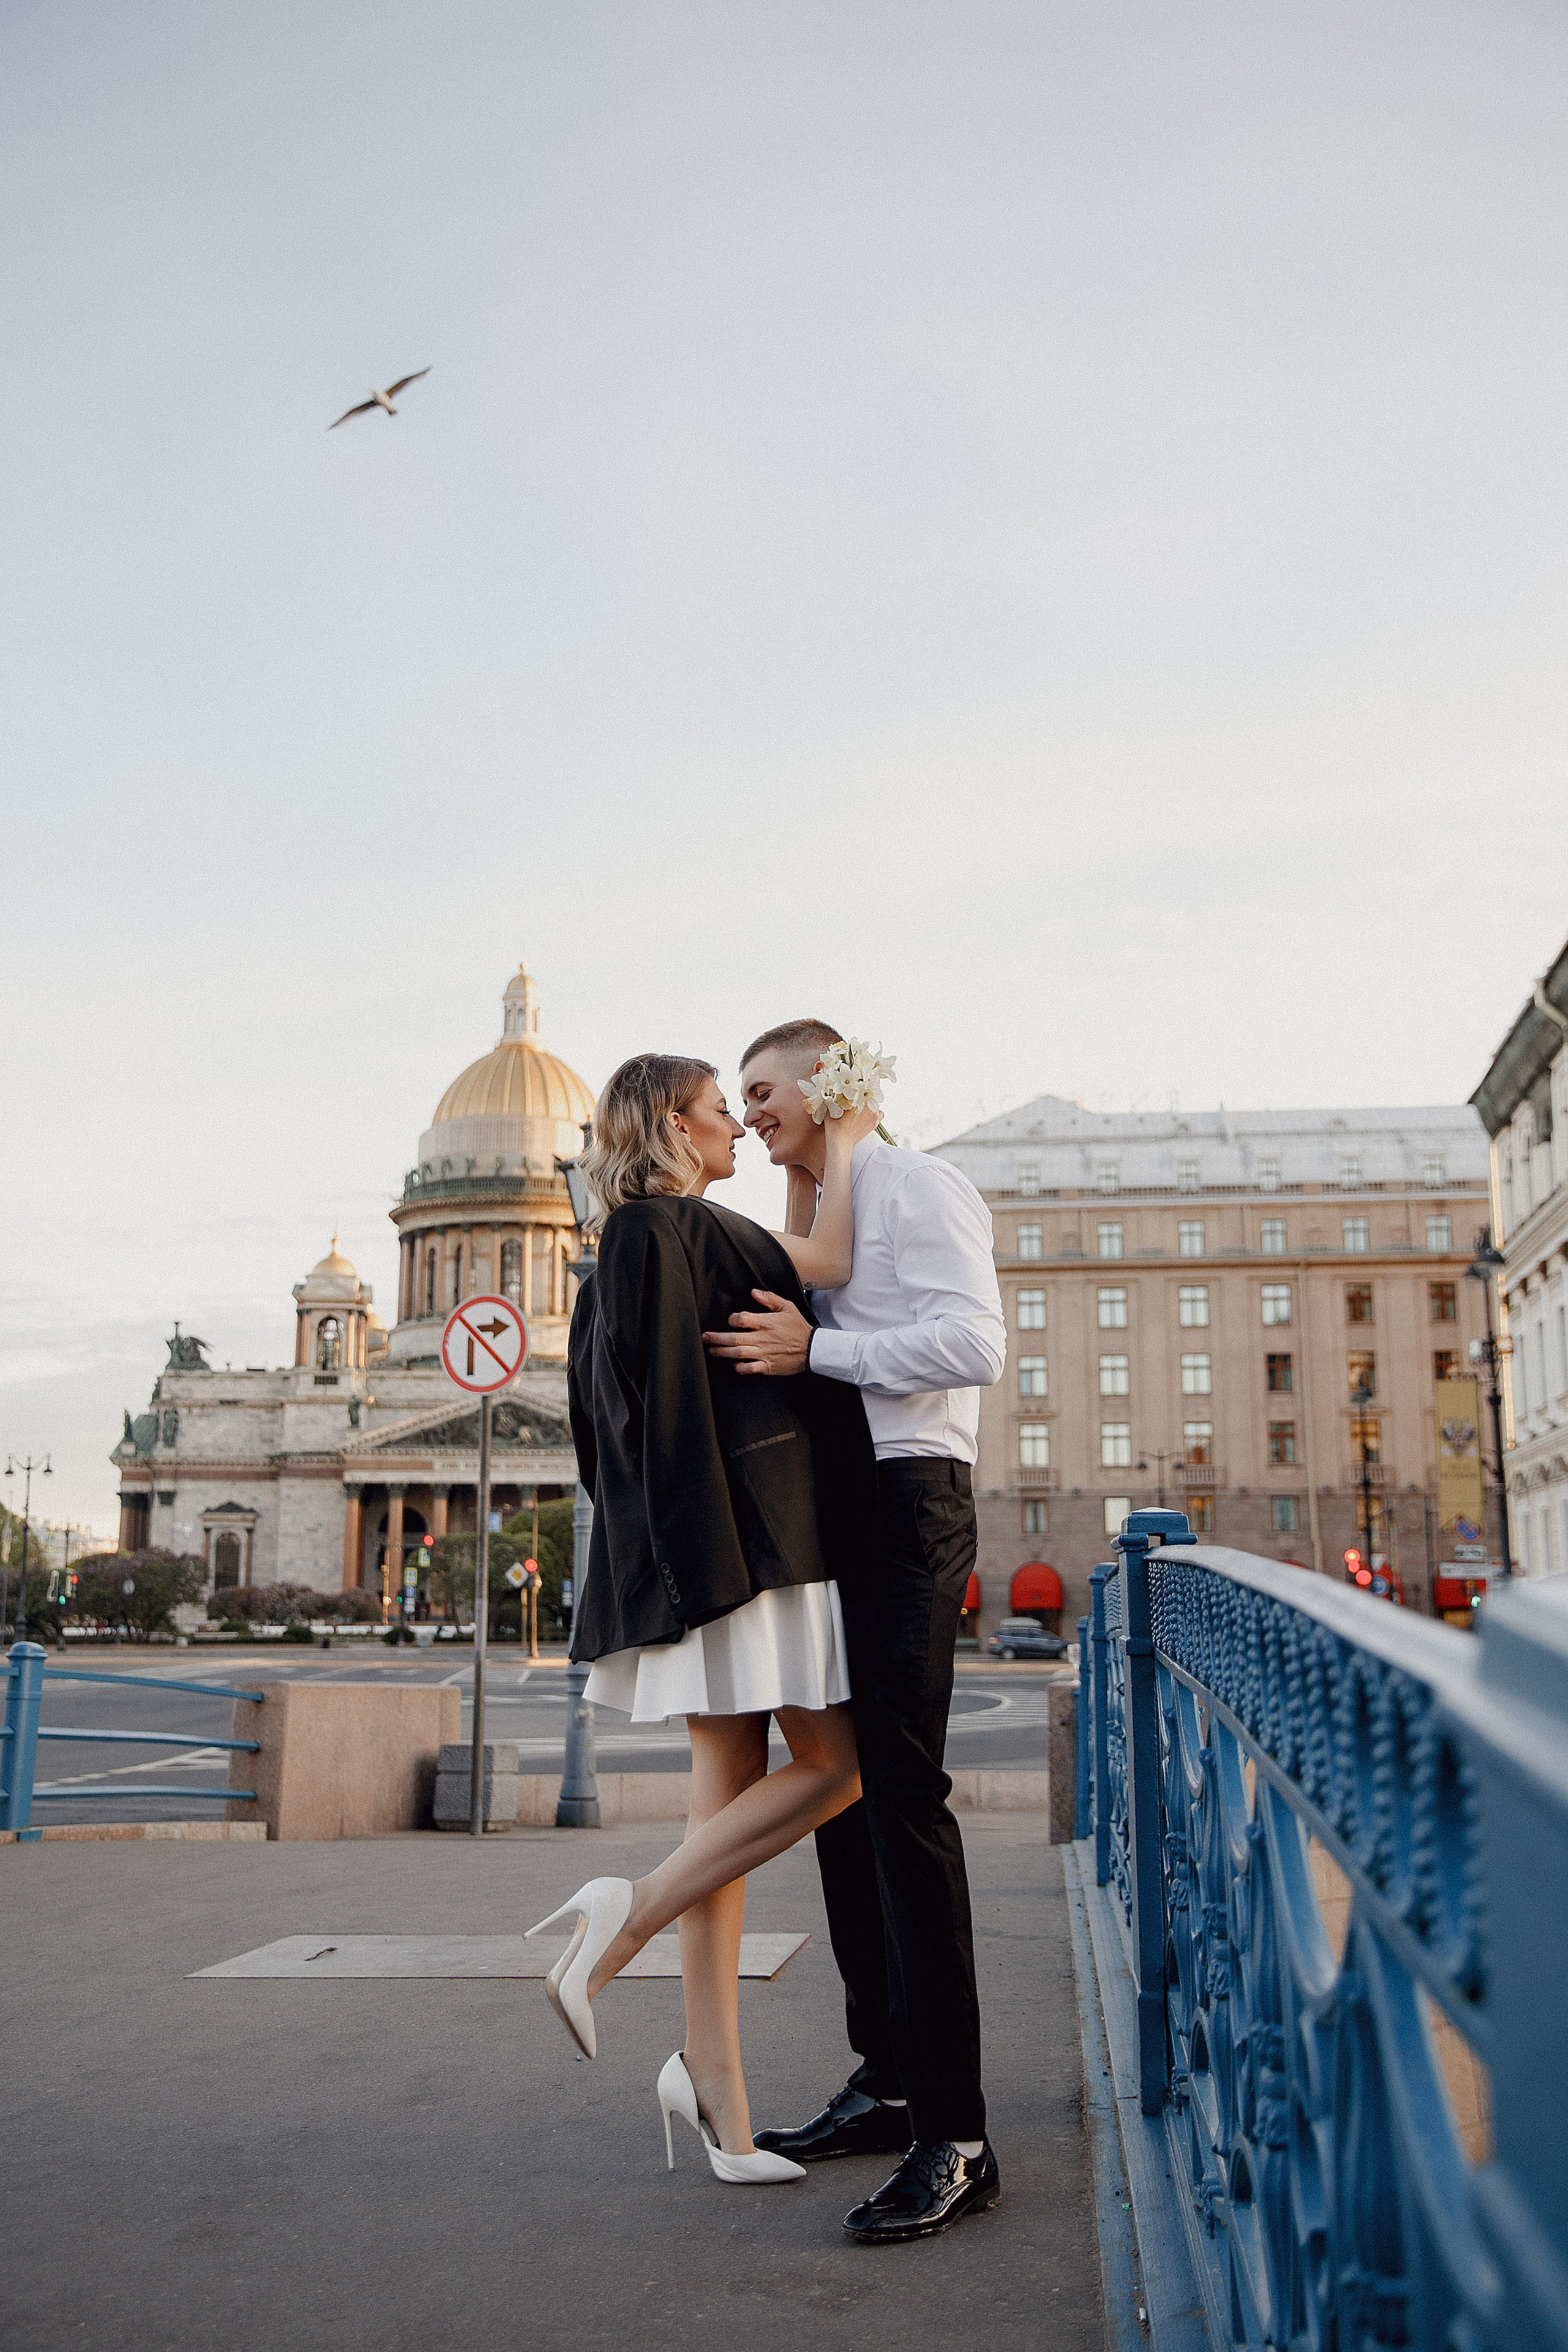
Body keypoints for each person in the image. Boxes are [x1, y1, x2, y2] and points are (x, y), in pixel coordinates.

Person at [526, 1050, 881, 2188]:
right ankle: (622, 1918)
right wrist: (851, 1132)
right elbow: (829, 1258)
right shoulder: (693, 1228)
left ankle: (716, 2088)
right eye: (723, 1112)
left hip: (690, 1554)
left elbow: (606, 1441)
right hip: (759, 1546)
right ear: (676, 1130)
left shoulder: (621, 1247)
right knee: (839, 1766)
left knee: (721, 1805)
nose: (740, 1127)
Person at [702, 1019, 1007, 2245]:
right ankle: (885, 2082)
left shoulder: (919, 1186)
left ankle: (958, 2136)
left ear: (824, 1083)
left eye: (763, 1092)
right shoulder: (828, 1205)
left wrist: (821, 1349)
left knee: (903, 1806)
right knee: (838, 1799)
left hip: (907, 1506)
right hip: (836, 1516)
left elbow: (973, 1342)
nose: (752, 1111)